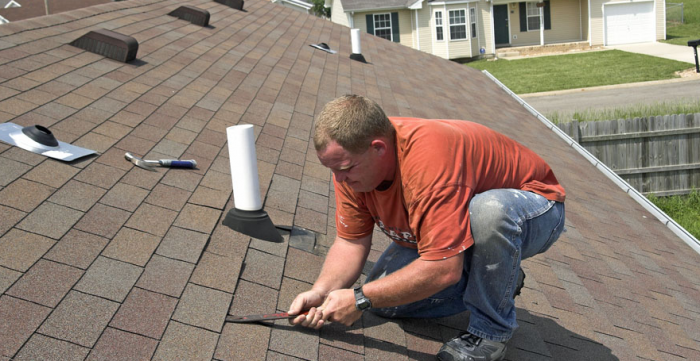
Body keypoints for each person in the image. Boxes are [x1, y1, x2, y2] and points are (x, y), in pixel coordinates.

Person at [288, 94, 566, 361]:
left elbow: (443, 269)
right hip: (461, 224)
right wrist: (321, 293)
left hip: (535, 208)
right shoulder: (351, 169)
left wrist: (359, 299)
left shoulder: (427, 164)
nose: (339, 179)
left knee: (489, 211)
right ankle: (500, 278)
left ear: (378, 148)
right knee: (386, 299)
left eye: (345, 168)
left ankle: (491, 332)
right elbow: (351, 242)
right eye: (332, 169)